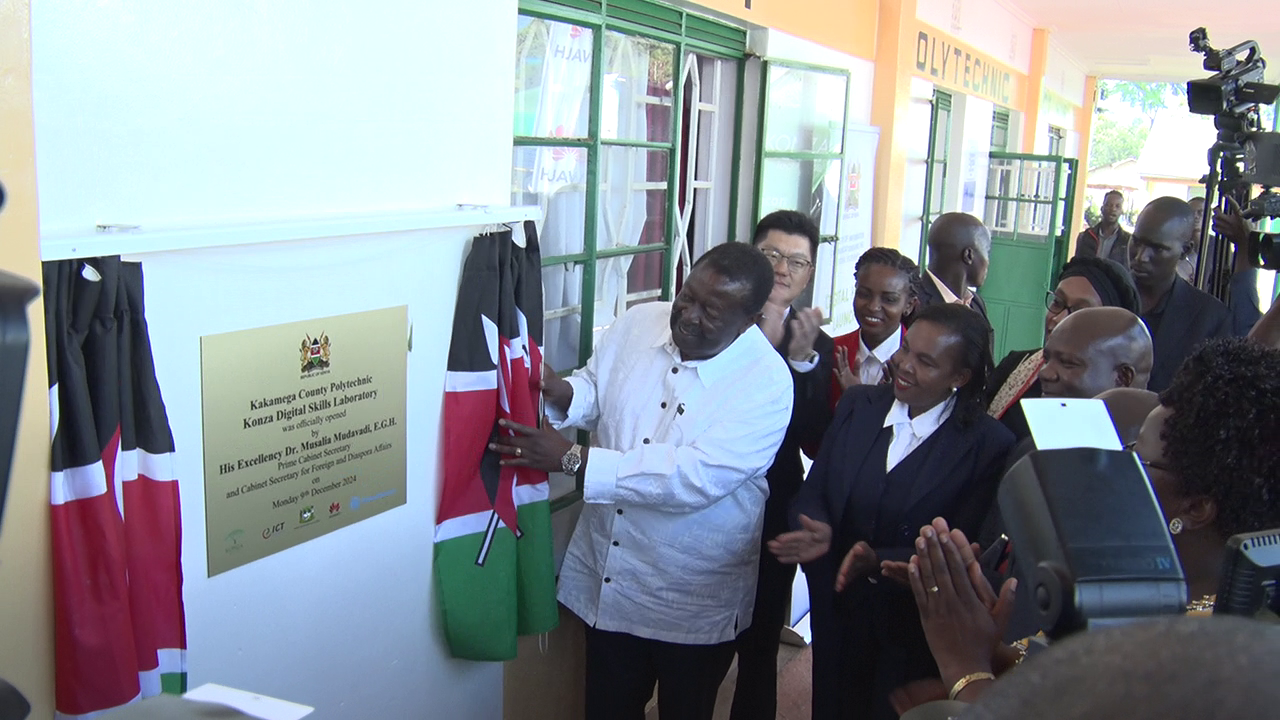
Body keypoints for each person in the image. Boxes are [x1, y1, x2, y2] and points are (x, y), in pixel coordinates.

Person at [491, 242, 794, 720]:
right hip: (610, 579)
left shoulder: (767, 384)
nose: (687, 316)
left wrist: (575, 460)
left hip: (688, 596)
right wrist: (565, 391)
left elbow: (692, 478)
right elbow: (599, 387)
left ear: (749, 321)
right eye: (687, 296)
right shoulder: (639, 322)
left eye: (711, 311)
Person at [896, 338, 1280, 708]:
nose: (1117, 467)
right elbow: (1065, 682)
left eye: (1134, 457)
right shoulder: (1149, 598)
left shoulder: (1205, 654)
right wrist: (987, 646)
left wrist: (964, 669)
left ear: (1195, 508)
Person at [770, 303, 1014, 720]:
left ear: (960, 377)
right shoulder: (858, 406)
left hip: (911, 630)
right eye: (906, 350)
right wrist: (816, 526)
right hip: (838, 613)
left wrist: (880, 560)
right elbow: (818, 489)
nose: (903, 365)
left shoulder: (987, 446)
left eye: (925, 362)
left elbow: (967, 542)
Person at [731, 211, 834, 720]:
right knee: (696, 645)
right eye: (771, 254)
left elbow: (814, 440)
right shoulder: (716, 318)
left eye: (797, 260)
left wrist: (798, 363)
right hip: (707, 499)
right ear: (752, 254)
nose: (783, 268)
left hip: (776, 504)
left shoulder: (819, 343)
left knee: (761, 636)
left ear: (810, 272)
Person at [961, 615, 1280, 719]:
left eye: (1143, 465)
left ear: (1195, 509)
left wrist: (965, 669)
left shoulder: (1195, 655)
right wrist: (999, 655)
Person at [986, 257, 1140, 440]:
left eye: (1079, 312)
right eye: (1057, 303)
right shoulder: (1017, 365)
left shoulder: (1117, 406)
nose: (1058, 319)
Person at [1128, 196, 1232, 392]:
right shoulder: (1102, 297)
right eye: (1136, 242)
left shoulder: (1210, 319)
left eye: (1157, 248)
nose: (1141, 257)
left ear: (1185, 250)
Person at [829, 248, 920, 408]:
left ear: (909, 305)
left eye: (889, 299)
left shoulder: (918, 365)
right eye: (864, 294)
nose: (873, 306)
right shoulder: (832, 352)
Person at [917, 213, 991, 323]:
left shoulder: (976, 303)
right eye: (987, 251)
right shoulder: (915, 305)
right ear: (968, 255)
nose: (988, 261)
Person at [1073, 190, 1131, 266]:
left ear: (1122, 211)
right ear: (1102, 208)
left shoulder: (1127, 241)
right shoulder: (1085, 237)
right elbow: (1077, 265)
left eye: (1117, 206)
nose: (1113, 209)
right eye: (1109, 205)